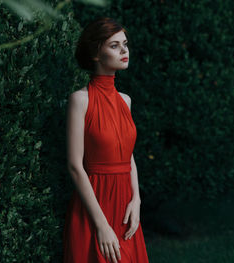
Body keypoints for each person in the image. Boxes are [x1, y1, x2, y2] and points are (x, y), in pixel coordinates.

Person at [63, 17, 149, 263]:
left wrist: (136, 199)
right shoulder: (80, 100)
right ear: (95, 54)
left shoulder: (126, 101)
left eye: (125, 43)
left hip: (125, 207)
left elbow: (128, 154)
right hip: (94, 206)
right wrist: (101, 225)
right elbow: (74, 165)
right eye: (114, 45)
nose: (124, 50)